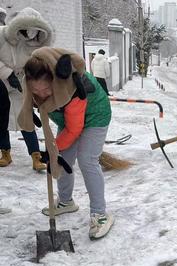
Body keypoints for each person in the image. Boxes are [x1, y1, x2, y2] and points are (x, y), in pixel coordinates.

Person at [19, 47, 114, 240]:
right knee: (61, 159)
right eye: (35, 90)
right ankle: (66, 201)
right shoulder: (36, 88)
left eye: (46, 89)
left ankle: (100, 214)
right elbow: (32, 104)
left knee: (87, 160)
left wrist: (52, 149)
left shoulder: (72, 87)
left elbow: (74, 130)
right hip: (68, 120)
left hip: (95, 116)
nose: (42, 94)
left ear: (55, 81)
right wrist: (55, 152)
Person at [0, 7, 52, 171]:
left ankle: (36, 156)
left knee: (26, 120)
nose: (30, 36)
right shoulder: (1, 35)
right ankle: (5, 153)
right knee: (1, 119)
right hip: (1, 83)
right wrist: (7, 74)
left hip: (22, 83)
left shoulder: (36, 43)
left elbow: (38, 65)